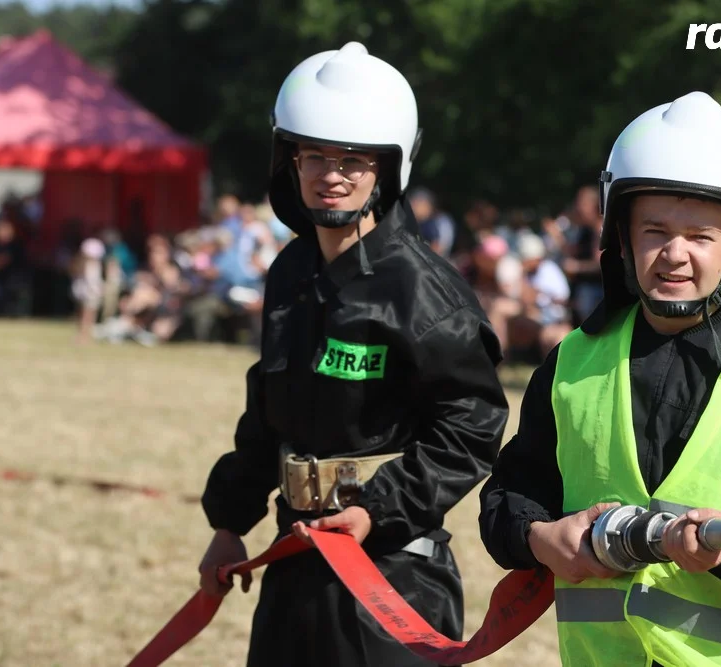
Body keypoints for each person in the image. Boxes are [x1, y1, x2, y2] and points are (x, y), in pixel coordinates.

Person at [477, 92, 721, 666]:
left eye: (701, 236)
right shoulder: (573, 361)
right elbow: (511, 494)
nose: (674, 255)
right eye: (655, 230)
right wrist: (540, 537)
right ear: (623, 234)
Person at [197, 42, 508, 667]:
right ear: (289, 160)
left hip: (390, 575)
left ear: (387, 167)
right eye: (312, 155)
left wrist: (377, 509)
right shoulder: (289, 273)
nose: (329, 173)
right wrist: (229, 522)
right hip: (294, 561)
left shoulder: (424, 290)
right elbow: (268, 410)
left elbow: (472, 427)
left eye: (352, 158)